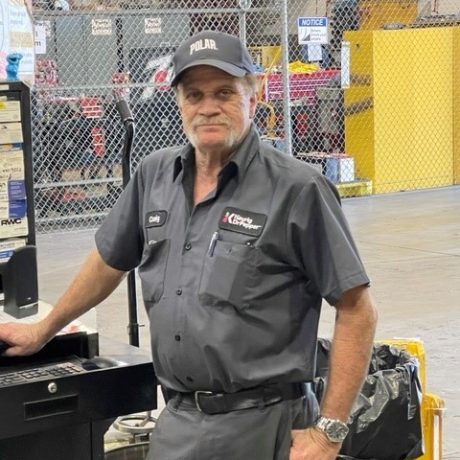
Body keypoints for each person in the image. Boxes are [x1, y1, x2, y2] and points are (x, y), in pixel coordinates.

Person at [0, 30, 377, 460]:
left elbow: (357, 310)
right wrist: (41, 331)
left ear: (252, 96)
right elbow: (108, 261)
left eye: (224, 92)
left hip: (267, 425)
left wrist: (327, 433)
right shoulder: (154, 176)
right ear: (179, 103)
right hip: (177, 421)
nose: (208, 107)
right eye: (194, 94)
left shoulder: (298, 189)